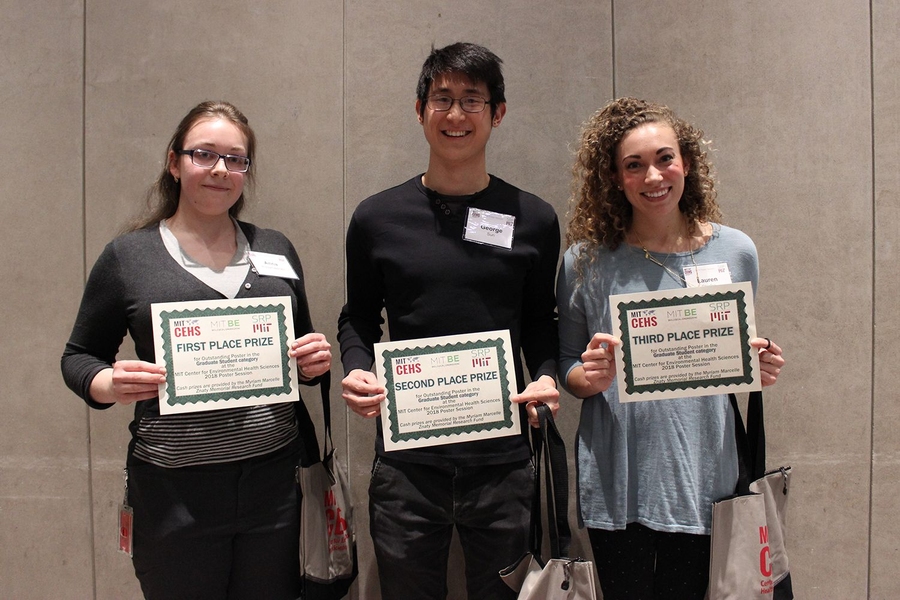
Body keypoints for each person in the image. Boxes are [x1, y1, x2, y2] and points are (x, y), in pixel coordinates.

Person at [61, 101, 331, 600]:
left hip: (272, 489)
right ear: (174, 162)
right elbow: (78, 357)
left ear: (247, 171)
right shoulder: (130, 256)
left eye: (236, 159)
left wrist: (315, 362)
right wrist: (108, 384)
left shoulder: (276, 249)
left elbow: (303, 357)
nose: (220, 170)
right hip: (173, 495)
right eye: (204, 155)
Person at [337, 42, 560, 600]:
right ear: (419, 110)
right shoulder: (376, 217)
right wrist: (358, 367)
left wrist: (549, 376)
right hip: (406, 464)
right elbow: (359, 316)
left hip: (503, 462)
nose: (456, 115)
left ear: (498, 113)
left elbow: (539, 321)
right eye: (442, 99)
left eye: (472, 100)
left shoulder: (533, 218)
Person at [556, 97, 786, 600]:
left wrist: (759, 366)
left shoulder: (736, 250)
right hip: (619, 480)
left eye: (664, 158)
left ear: (687, 162)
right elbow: (566, 366)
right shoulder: (584, 262)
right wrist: (585, 377)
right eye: (633, 165)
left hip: (706, 477)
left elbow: (734, 357)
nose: (653, 176)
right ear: (615, 178)